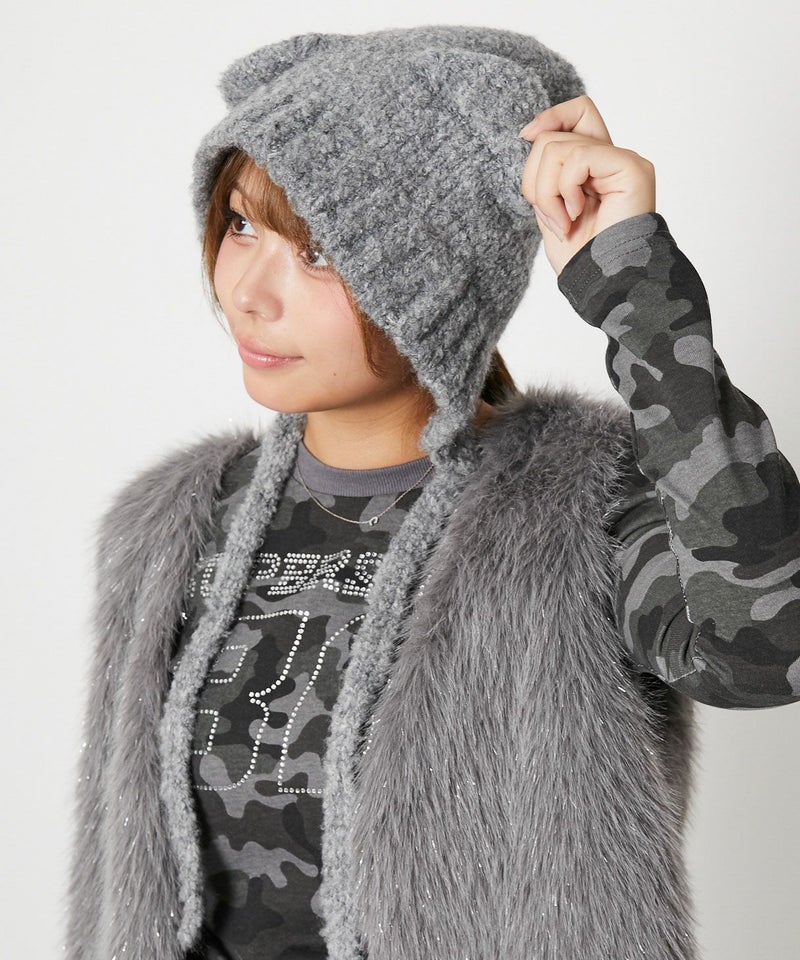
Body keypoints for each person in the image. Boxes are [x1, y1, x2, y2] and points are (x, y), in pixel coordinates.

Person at [64, 23, 800, 960]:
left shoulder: (575, 509)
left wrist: (638, 290)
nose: (248, 291)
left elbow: (764, 650)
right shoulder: (170, 522)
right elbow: (116, 892)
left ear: (429, 284)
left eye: (318, 253)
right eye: (241, 225)